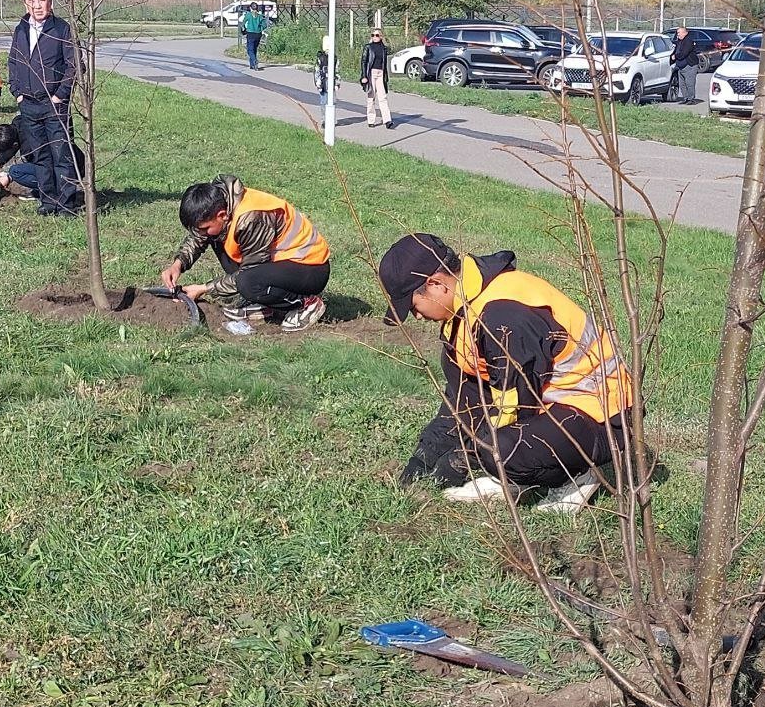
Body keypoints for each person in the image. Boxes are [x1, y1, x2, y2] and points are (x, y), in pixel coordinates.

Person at [377, 233, 634, 514]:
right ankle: (508, 473)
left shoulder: (503, 318)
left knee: (499, 450)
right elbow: (464, 400)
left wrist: (464, 460)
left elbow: (518, 406)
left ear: (436, 284)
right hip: (554, 407)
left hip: (604, 416)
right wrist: (424, 459)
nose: (416, 316)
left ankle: (577, 474)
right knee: (495, 448)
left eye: (413, 306)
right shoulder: (462, 315)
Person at [159, 176, 330, 336]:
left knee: (248, 283)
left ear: (222, 215)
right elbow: (200, 236)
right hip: (278, 264)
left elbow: (249, 272)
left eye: (204, 228)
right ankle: (264, 303)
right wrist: (178, 264)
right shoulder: (219, 205)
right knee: (216, 237)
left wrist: (204, 288)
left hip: (310, 268)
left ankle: (307, 304)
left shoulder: (252, 218)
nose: (202, 233)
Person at [9, 0, 80, 217]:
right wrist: (17, 92)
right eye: (31, 2)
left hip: (54, 104)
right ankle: (48, 201)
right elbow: (13, 61)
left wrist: (60, 95)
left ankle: (66, 204)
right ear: (25, 4)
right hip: (28, 104)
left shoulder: (61, 29)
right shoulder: (21, 29)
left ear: (49, 2)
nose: (37, 6)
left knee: (61, 153)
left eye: (41, 1)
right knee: (40, 154)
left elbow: (75, 66)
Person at [0, 118, 84, 206]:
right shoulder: (20, 122)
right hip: (76, 159)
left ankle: (52, 191)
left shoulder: (30, 148)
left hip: (68, 170)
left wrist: (9, 177)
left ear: (15, 145)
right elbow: (13, 147)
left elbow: (44, 169)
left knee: (15, 171)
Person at [360, 29, 393, 129]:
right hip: (371, 73)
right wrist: (364, 76)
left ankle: (387, 120)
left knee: (382, 97)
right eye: (373, 35)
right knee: (371, 96)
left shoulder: (384, 49)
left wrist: (386, 77)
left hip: (381, 73)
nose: (374, 37)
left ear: (381, 36)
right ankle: (371, 120)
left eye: (377, 35)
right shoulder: (368, 47)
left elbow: (385, 63)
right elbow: (364, 62)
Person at [672, 26, 698, 104]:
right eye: (677, 33)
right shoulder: (679, 41)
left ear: (684, 33)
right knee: (682, 83)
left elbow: (684, 53)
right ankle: (685, 98)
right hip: (680, 65)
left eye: (679, 33)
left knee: (689, 83)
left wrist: (675, 56)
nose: (677, 35)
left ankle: (691, 99)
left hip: (690, 65)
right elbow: (676, 51)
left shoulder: (688, 41)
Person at [240, 2, 267, 70]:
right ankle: (252, 65)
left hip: (250, 34)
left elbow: (243, 24)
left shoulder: (248, 15)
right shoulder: (260, 16)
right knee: (254, 49)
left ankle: (255, 61)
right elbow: (265, 25)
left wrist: (244, 29)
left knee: (250, 50)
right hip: (258, 34)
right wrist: (260, 29)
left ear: (250, 8)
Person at [315, 35, 337, 107]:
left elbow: (337, 70)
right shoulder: (321, 58)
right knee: (323, 101)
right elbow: (317, 71)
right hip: (323, 82)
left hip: (332, 82)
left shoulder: (334, 57)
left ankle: (331, 117)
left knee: (332, 101)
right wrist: (318, 83)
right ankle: (323, 118)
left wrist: (337, 83)